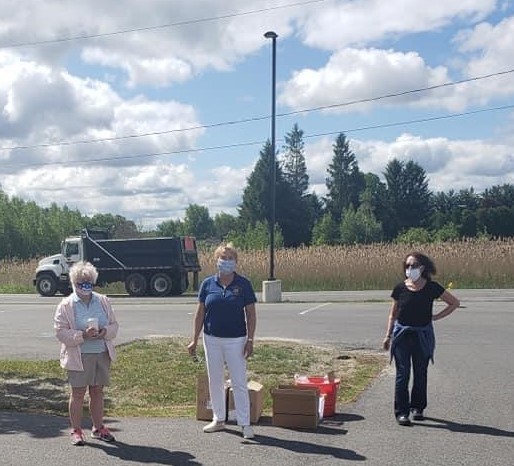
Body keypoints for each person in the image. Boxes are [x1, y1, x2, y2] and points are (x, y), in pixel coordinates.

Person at [187, 243, 257, 439]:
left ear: (235, 262)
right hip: (212, 339)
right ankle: (219, 419)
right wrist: (194, 339)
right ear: (216, 261)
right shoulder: (207, 284)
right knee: (215, 380)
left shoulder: (243, 284)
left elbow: (251, 314)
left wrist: (250, 340)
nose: (226, 262)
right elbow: (200, 313)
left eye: (230, 259)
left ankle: (245, 424)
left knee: (239, 381)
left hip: (236, 340)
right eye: (222, 258)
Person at [383, 252, 460, 426]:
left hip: (422, 335)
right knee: (403, 374)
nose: (410, 269)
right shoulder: (400, 288)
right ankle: (402, 412)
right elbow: (393, 314)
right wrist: (388, 335)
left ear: (422, 267)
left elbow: (454, 303)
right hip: (402, 335)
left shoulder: (432, 287)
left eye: (414, 265)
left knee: (421, 372)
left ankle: (418, 407)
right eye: (407, 266)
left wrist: (437, 317)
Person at [54, 261, 119, 445]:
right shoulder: (66, 305)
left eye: (89, 281)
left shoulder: (103, 301)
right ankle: (76, 430)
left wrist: (105, 331)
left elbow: (114, 325)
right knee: (78, 393)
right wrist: (82, 335)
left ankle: (98, 428)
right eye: (82, 282)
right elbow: (60, 332)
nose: (85, 285)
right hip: (79, 356)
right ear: (74, 283)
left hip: (101, 353)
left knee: (98, 392)